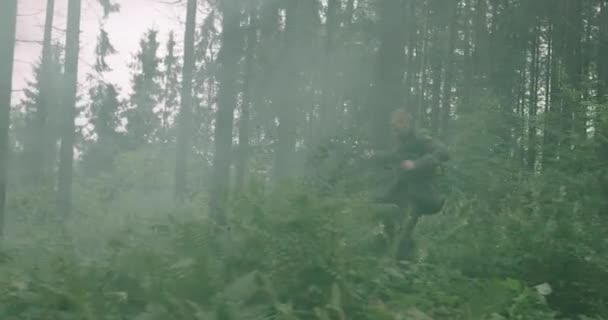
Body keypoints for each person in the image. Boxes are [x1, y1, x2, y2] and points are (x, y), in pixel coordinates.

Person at [371, 108, 450, 259]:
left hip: (419, 194)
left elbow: (443, 151)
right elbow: (393, 156)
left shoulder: (421, 139)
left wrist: (416, 164)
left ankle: (403, 267)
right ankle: (402, 261)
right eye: (393, 127)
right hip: (401, 193)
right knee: (388, 223)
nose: (395, 130)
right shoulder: (401, 143)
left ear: (406, 123)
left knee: (403, 233)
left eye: (397, 126)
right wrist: (372, 154)